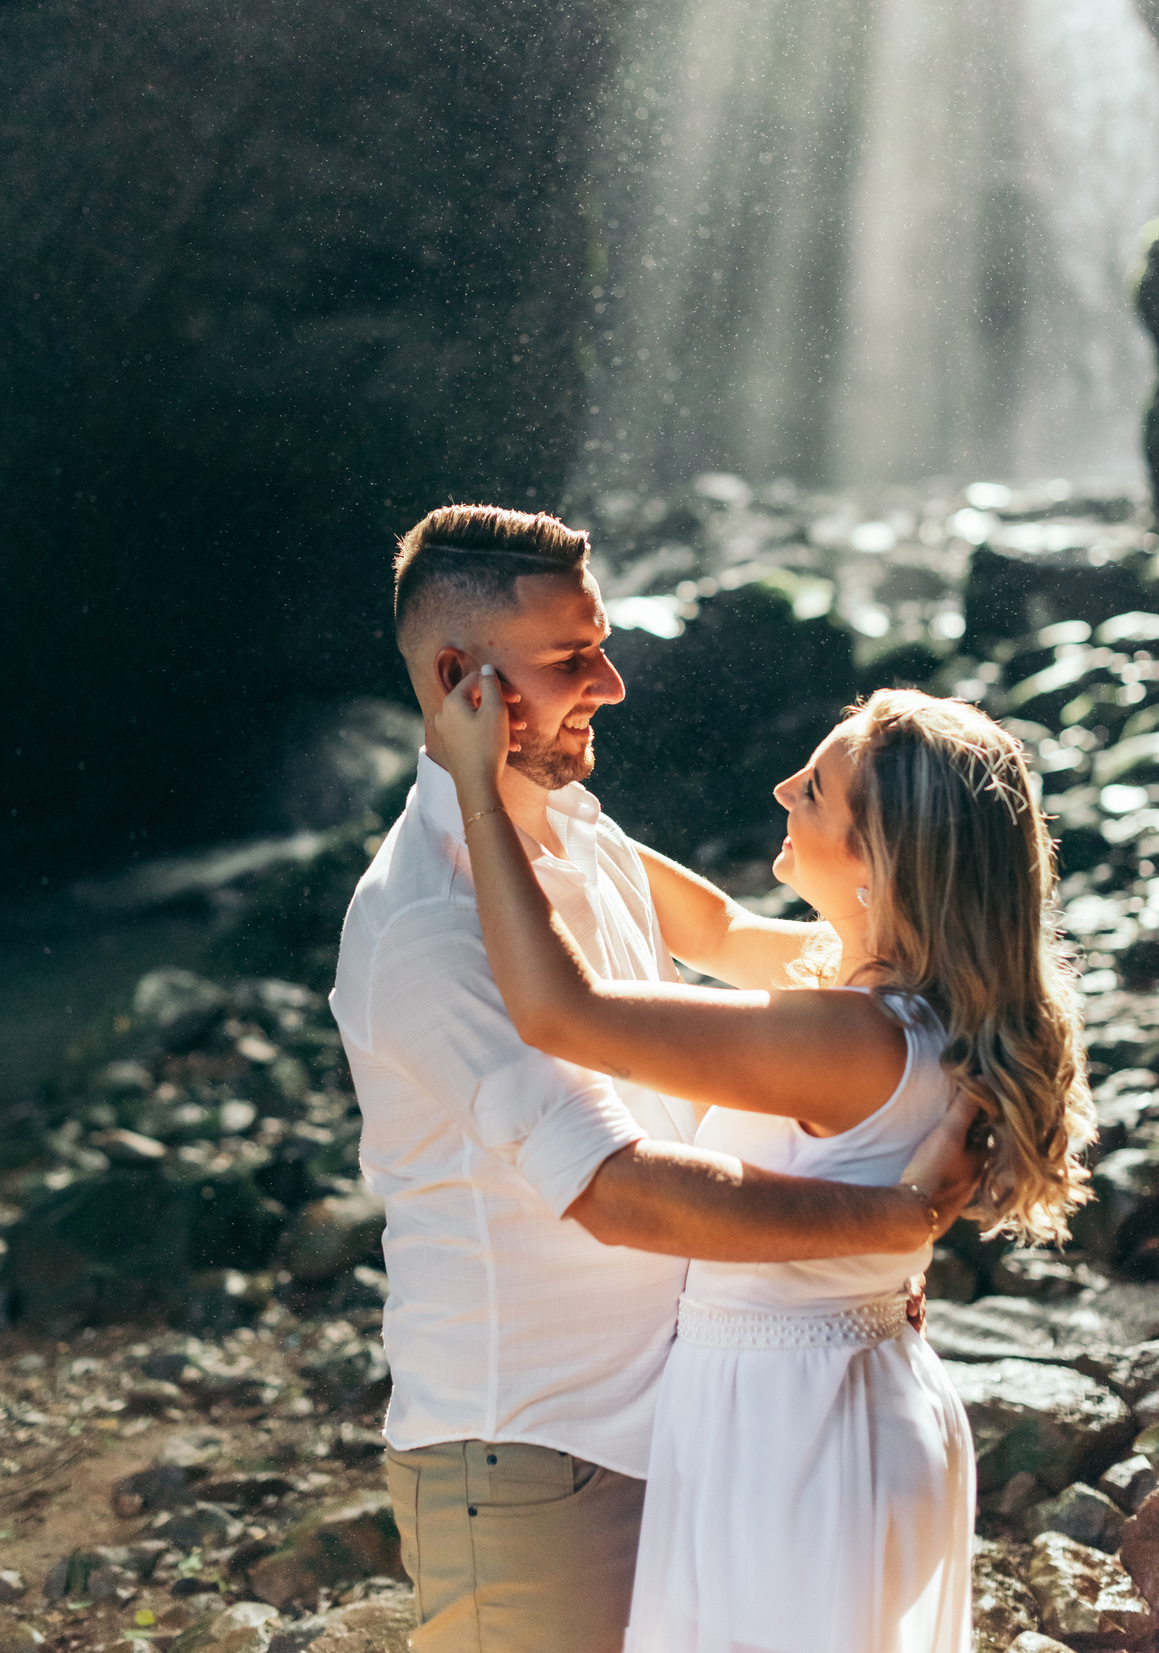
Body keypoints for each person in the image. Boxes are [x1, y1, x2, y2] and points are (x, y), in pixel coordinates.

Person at [330, 503, 983, 1653]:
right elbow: (617, 1189)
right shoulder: (433, 925)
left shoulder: (573, 821)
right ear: (456, 678)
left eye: (603, 639)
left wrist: (957, 964)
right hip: (537, 1459)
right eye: (571, 658)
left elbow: (736, 937)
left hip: (692, 1418)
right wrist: (886, 1221)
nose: (614, 682)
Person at [436, 665, 1095, 1653]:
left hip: (801, 1430)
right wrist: (550, 805)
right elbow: (718, 929)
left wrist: (477, 796)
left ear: (883, 861)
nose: (784, 789)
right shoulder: (920, 998)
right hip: (822, 1401)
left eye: (817, 789)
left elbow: (561, 1014)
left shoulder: (854, 1038)